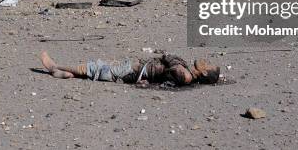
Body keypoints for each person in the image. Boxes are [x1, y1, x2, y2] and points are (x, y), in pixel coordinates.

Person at [39, 51, 220, 86]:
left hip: (131, 72)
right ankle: (65, 74)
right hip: (134, 68)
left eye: (208, 64)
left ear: (204, 72)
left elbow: (167, 58)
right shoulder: (186, 71)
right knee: (98, 66)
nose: (205, 60)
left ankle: (54, 67)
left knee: (94, 68)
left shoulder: (185, 75)